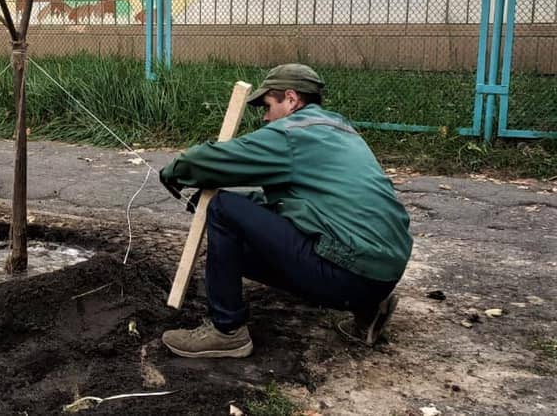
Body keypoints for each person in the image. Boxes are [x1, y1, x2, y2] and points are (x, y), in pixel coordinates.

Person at [159, 63, 413, 358]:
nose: (266, 117)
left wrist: (174, 171)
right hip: (382, 272)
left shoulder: (292, 133)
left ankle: (226, 331)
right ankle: (369, 309)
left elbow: (214, 161)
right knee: (236, 244)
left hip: (349, 275)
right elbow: (301, 206)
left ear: (291, 99)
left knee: (223, 207)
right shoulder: (338, 130)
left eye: (268, 105)